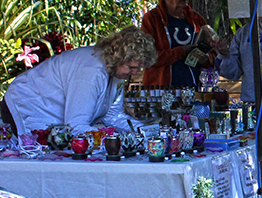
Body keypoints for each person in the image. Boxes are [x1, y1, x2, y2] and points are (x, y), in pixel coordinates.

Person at [0, 26, 156, 136]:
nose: (135, 73)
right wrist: (110, 136)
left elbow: (113, 117)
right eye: (132, 67)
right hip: (26, 106)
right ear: (119, 57)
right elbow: (76, 125)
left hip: (49, 113)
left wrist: (147, 131)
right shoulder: (91, 70)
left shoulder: (115, 72)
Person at [141, 0, 222, 88]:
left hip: (194, 91)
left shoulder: (195, 19)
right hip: (161, 91)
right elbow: (148, 57)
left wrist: (204, 59)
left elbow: (212, 56)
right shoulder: (152, 19)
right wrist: (181, 52)